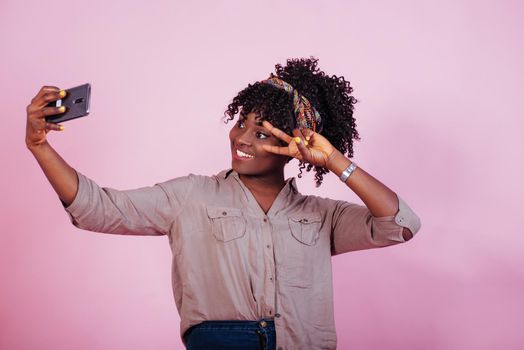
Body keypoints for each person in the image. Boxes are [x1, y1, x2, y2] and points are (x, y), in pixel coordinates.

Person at [25, 57, 421, 350]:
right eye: (242, 122)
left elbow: (399, 224)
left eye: (263, 131)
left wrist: (334, 161)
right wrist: (40, 147)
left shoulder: (321, 216)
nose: (243, 138)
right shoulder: (190, 195)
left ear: (295, 144)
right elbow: (100, 208)